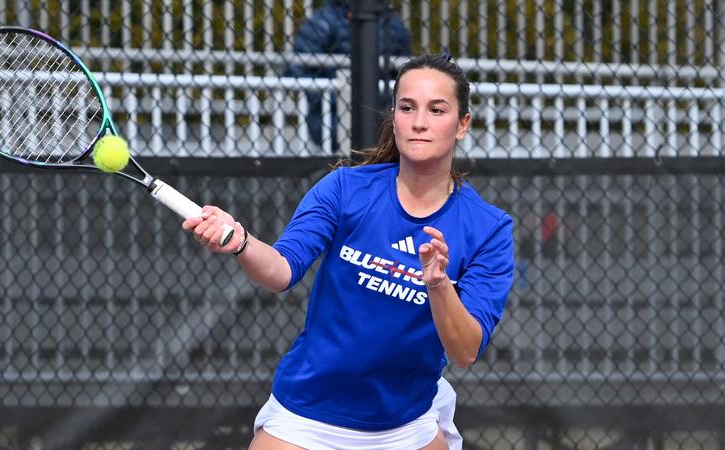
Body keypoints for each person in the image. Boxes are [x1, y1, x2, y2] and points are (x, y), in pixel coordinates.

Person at [183, 54, 515, 450]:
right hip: (307, 415)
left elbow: (465, 351)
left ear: (462, 125)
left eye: (437, 109)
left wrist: (439, 285)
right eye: (407, 107)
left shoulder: (489, 228)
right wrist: (241, 242)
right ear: (394, 116)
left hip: (406, 422)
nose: (420, 122)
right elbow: (282, 270)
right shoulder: (344, 189)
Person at [286, 0, 412, 152]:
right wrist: (333, 99)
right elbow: (296, 68)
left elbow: (405, 70)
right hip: (330, 115)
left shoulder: (390, 22)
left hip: (381, 113)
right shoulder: (323, 21)